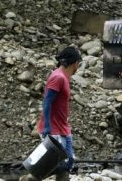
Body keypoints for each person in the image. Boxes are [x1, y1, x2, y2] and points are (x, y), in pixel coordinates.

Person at [24, 46, 82, 181]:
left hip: (63, 128)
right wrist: (47, 128)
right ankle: (30, 179)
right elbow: (47, 102)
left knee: (68, 162)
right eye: (78, 63)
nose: (78, 66)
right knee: (51, 164)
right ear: (75, 63)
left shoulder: (64, 77)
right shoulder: (58, 77)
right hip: (54, 129)